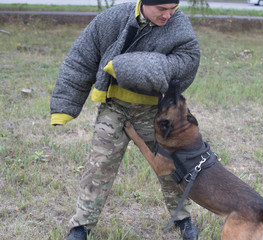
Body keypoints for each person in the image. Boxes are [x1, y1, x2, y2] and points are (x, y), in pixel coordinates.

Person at [49, 0, 201, 239]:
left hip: (155, 112)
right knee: (98, 167)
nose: (168, 15)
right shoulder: (112, 18)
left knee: (172, 165)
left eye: (173, 8)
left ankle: (183, 218)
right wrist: (64, 106)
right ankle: (81, 226)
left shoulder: (179, 24)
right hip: (114, 108)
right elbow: (81, 59)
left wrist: (132, 66)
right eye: (162, 9)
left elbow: (187, 62)